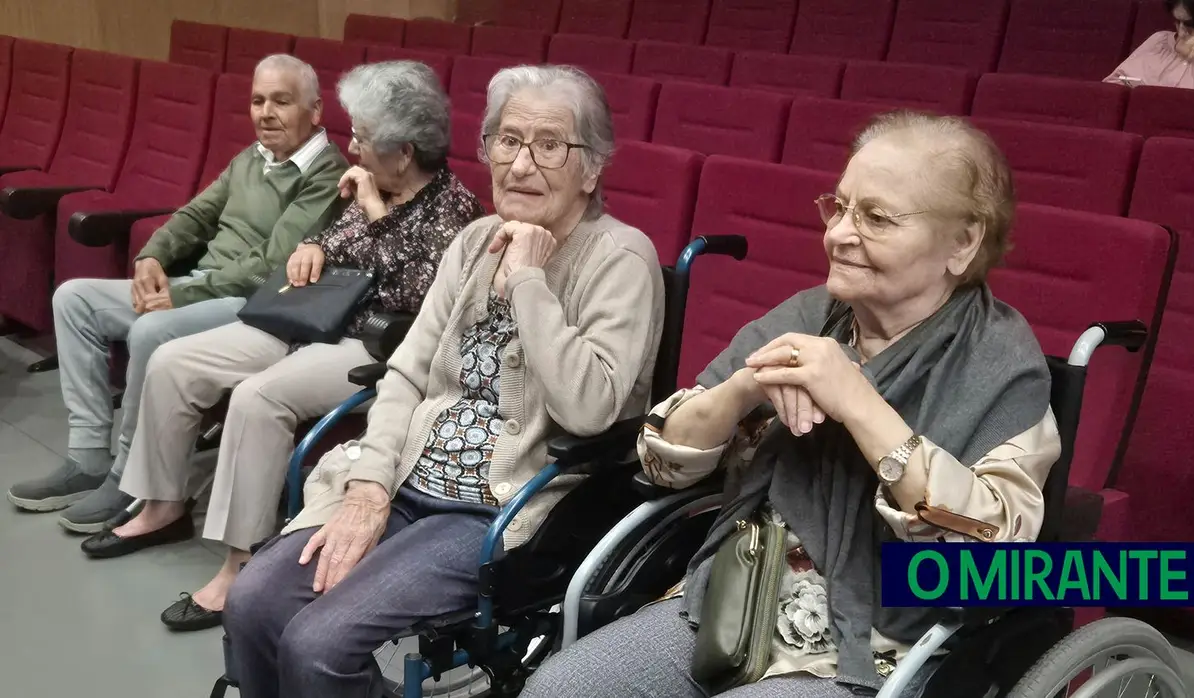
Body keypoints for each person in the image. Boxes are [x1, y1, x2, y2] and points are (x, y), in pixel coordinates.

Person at [520, 111, 1062, 698]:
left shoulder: (1001, 362)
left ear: (962, 242)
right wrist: (743, 389)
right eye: (840, 207)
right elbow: (662, 462)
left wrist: (859, 404)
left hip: (884, 640)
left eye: (876, 218)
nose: (840, 234)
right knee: (563, 686)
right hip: (739, 594)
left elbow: (985, 556)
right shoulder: (809, 316)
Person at [220, 64, 666, 697]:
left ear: (592, 168)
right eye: (507, 141)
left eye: (549, 145)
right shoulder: (477, 238)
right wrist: (369, 486)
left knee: (318, 644)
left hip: (501, 507)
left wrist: (531, 282)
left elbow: (591, 409)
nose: (520, 164)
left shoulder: (620, 258)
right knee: (254, 603)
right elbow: (406, 370)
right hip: (407, 479)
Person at [74, 61, 485, 632]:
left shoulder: (456, 211)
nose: (353, 147)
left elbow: (419, 295)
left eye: (363, 138)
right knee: (174, 362)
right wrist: (315, 243)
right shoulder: (370, 182)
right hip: (312, 319)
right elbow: (328, 239)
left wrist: (371, 211)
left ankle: (240, 560)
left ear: (406, 150)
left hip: (376, 345)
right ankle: (163, 505)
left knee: (257, 398)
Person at [6, 54, 350, 534]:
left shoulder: (327, 176)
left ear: (315, 112)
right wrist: (151, 258)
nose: (265, 112)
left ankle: (129, 476)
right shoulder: (252, 158)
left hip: (254, 303)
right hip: (201, 286)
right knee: (74, 299)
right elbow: (194, 215)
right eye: (257, 100)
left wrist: (182, 296)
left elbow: (271, 266)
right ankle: (87, 455)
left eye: (281, 101)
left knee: (152, 327)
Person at [1105, 0, 1194, 91]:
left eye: (1191, 24)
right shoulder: (1159, 42)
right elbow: (1111, 92)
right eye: (1177, 21)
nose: (1181, 32)